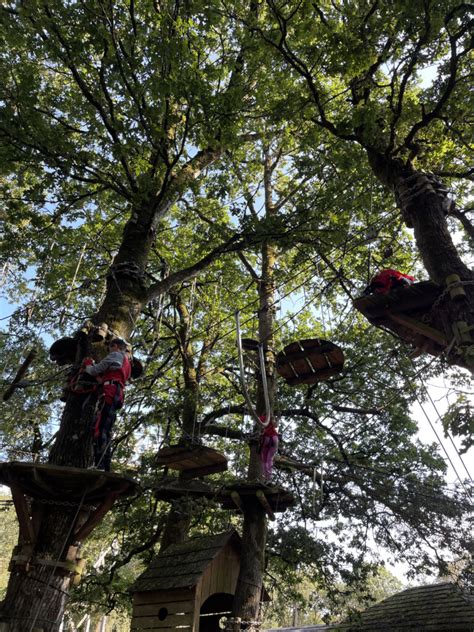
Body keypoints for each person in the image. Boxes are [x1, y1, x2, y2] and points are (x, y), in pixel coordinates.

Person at [83, 338, 131, 470]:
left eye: (109, 348)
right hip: (116, 393)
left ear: (114, 346)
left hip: (110, 393)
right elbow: (106, 378)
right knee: (106, 428)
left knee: (100, 428)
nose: (108, 351)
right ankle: (105, 466)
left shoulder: (116, 354)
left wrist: (88, 364)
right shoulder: (126, 362)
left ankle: (100, 466)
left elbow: (93, 371)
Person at [257, 414, 279, 480]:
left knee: (264, 460)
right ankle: (269, 477)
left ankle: (266, 477)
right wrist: (277, 420)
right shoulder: (271, 417)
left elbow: (261, 429)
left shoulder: (260, 418)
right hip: (274, 439)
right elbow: (276, 425)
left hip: (266, 439)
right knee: (270, 459)